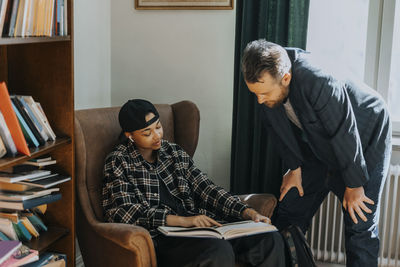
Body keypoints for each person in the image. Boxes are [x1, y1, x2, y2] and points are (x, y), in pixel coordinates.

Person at [241, 39, 392, 267]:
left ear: (286, 78)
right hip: (318, 141)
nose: (259, 100)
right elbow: (276, 128)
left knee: (359, 221)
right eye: (255, 93)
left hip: (364, 133)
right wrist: (294, 167)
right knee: (289, 210)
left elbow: (344, 131)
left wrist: (354, 184)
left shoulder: (318, 80)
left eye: (264, 94)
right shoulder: (267, 82)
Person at [102, 99, 286, 267]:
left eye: (158, 127)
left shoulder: (172, 152)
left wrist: (248, 212)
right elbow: (123, 212)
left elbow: (205, 187)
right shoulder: (119, 160)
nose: (157, 135)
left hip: (198, 229)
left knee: (268, 238)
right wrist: (182, 221)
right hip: (162, 237)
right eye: (147, 133)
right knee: (218, 251)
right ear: (129, 135)